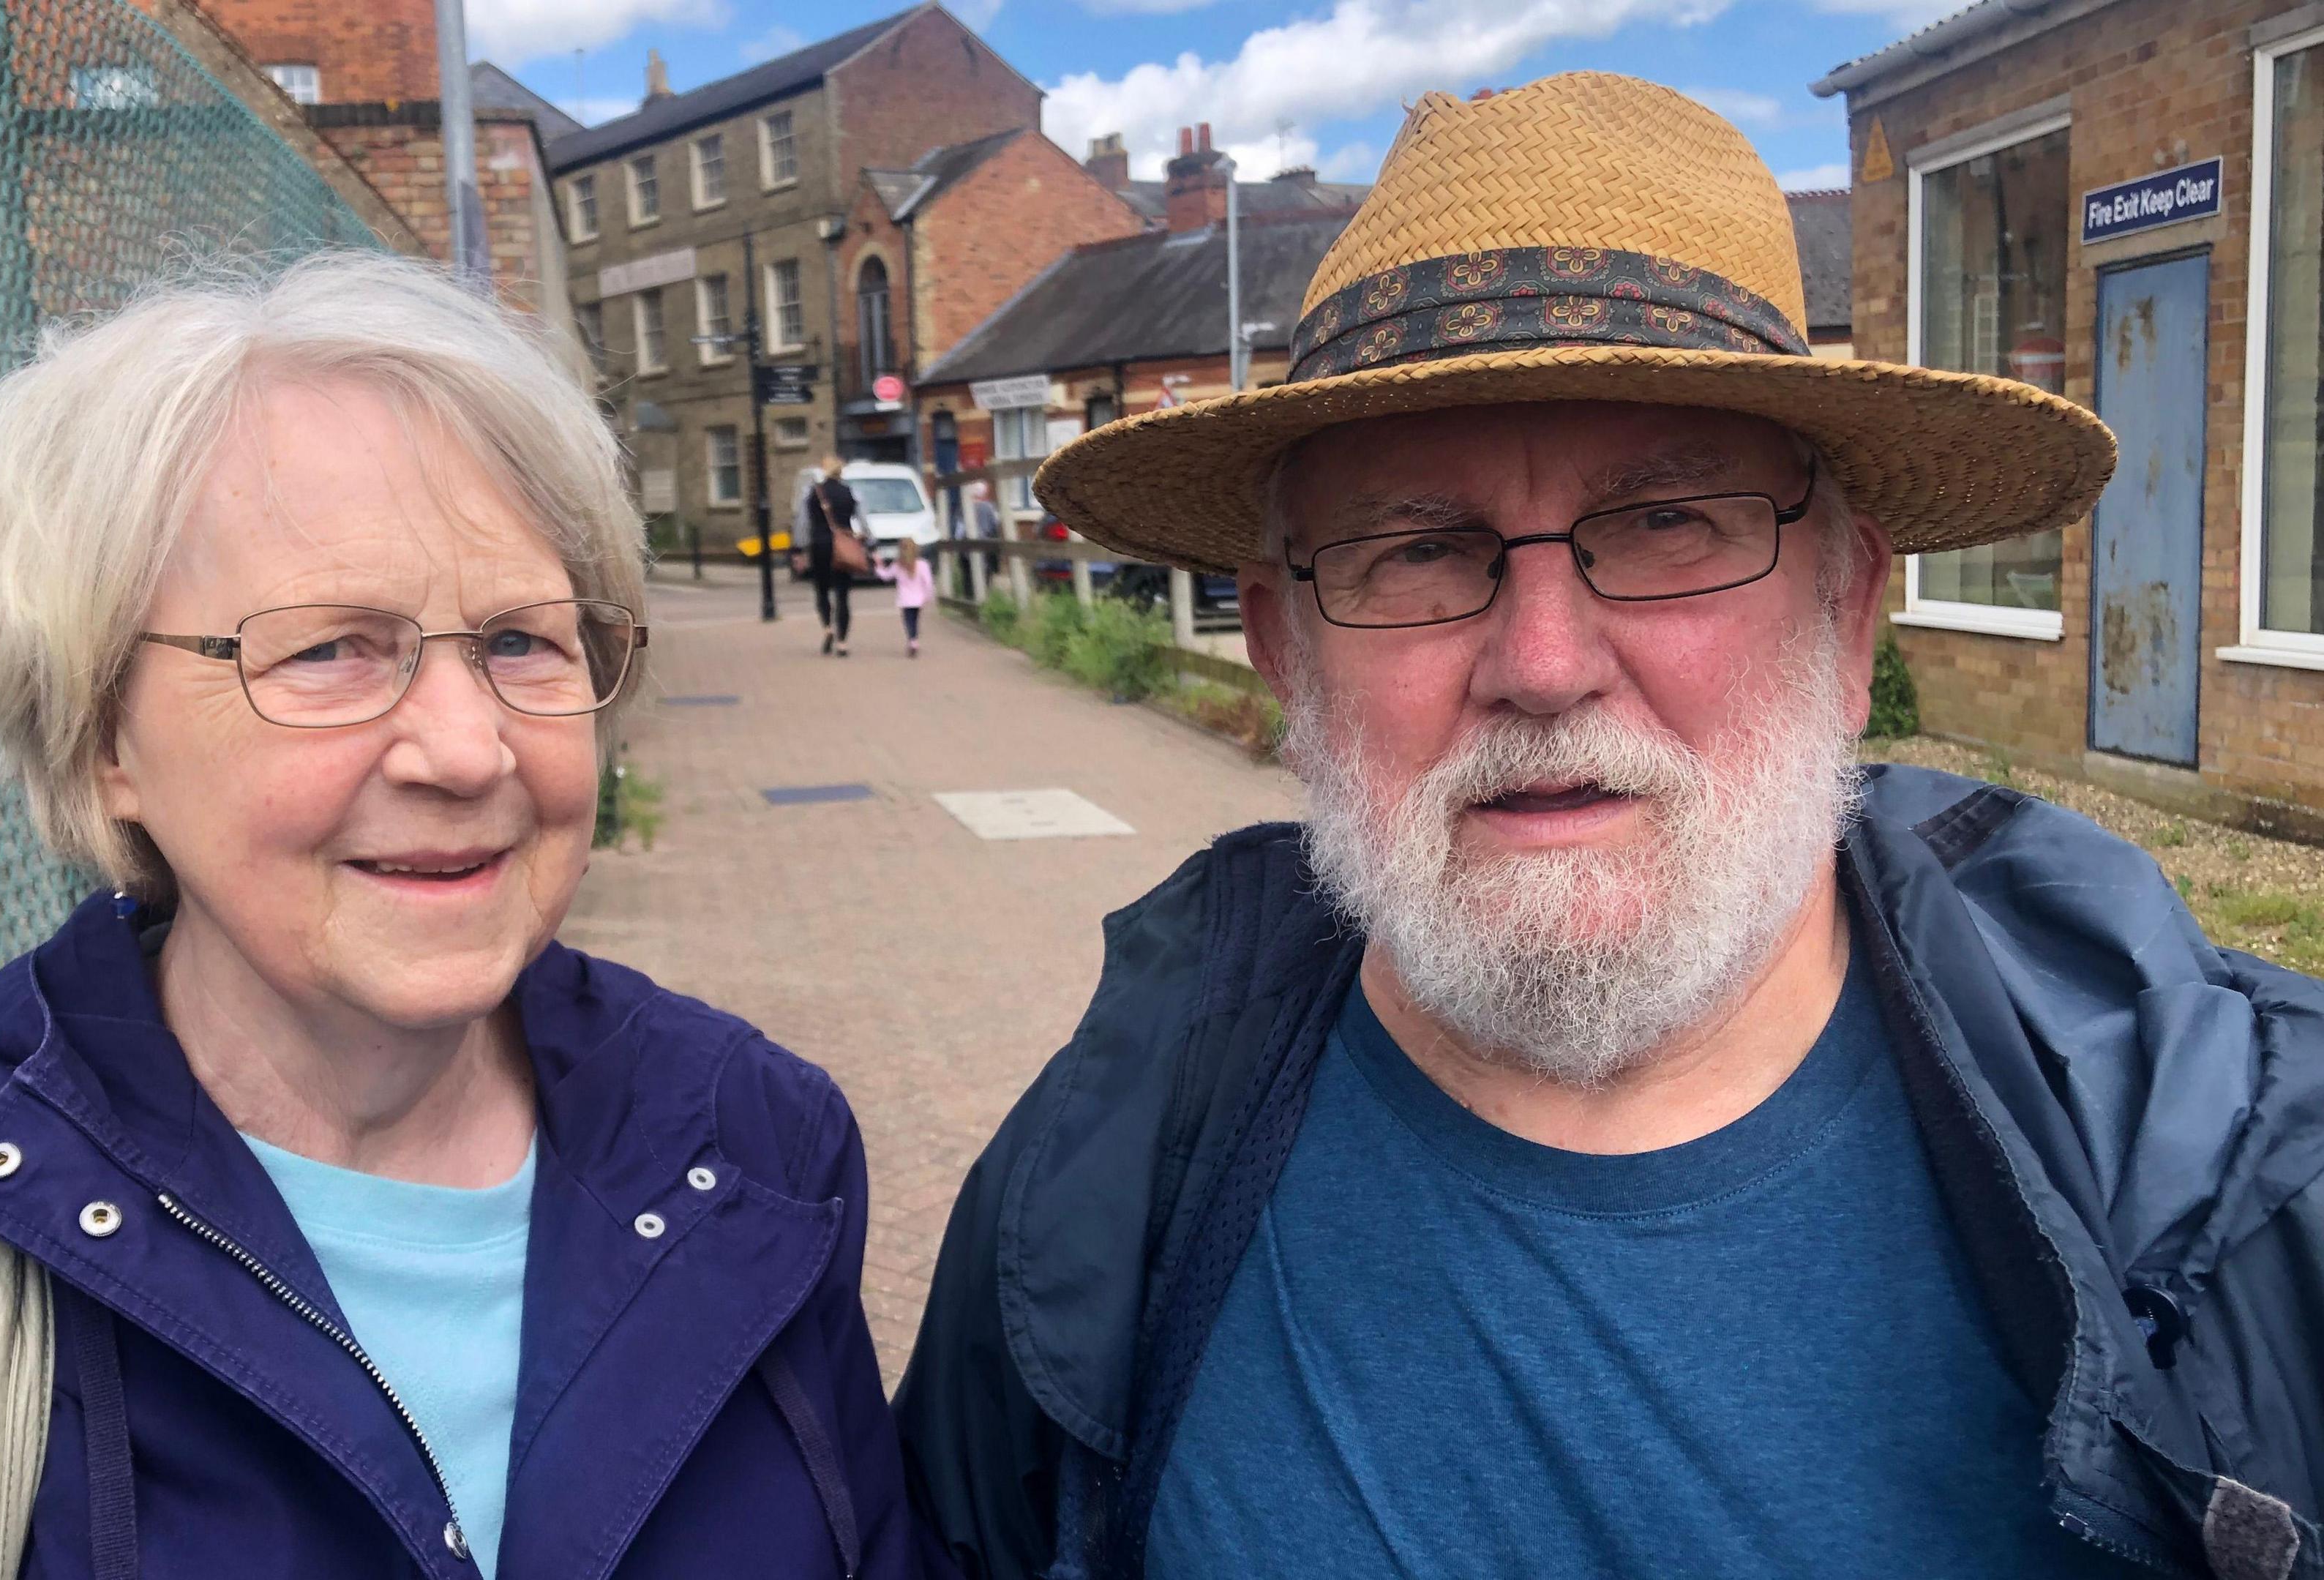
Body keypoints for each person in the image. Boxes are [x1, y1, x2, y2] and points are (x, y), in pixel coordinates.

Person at [896, 73, 2324, 1580]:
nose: (1545, 663)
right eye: (1419, 548)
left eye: (1669, 524)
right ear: (1285, 654)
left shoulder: (2246, 1190)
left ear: (1846, 616)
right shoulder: (1090, 1181)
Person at [0, 252, 932, 1580]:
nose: (467, 746)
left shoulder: (760, 1138)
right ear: (102, 737)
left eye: (521, 641)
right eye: (329, 648)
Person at [806, 454, 866, 656]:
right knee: (843, 594)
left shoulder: (816, 493)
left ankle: (828, 628)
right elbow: (862, 519)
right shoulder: (849, 493)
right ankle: (842, 643)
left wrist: (799, 547)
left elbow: (805, 522)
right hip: (844, 547)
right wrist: (869, 540)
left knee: (822, 590)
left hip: (820, 545)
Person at [877, 539, 935, 657]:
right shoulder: (923, 564)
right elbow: (928, 583)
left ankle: (912, 641)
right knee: (915, 620)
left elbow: (886, 576)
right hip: (919, 599)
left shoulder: (898, 565)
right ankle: (914, 640)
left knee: (908, 621)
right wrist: (929, 596)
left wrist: (879, 565)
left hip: (905, 599)